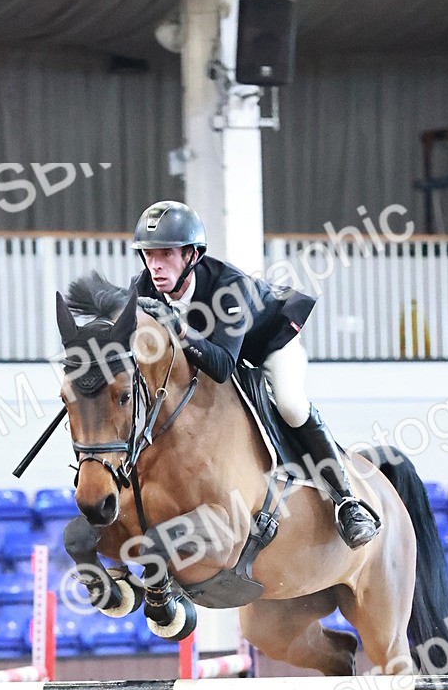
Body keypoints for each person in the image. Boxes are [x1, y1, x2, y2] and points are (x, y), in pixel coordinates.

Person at [129, 200, 380, 549]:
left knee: (291, 404)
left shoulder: (229, 286)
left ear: (191, 255)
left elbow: (221, 367)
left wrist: (180, 330)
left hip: (269, 343)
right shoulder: (142, 288)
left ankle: (347, 500)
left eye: (166, 254)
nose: (155, 266)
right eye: (148, 255)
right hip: (215, 348)